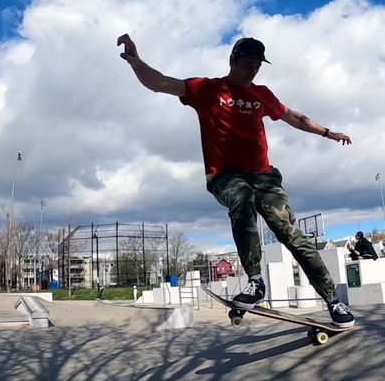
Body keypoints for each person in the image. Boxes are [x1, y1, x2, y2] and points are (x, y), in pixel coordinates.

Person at [117, 34, 354, 328]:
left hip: (264, 177)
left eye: (257, 66)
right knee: (241, 199)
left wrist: (328, 132)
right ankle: (256, 282)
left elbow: (295, 117)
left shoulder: (262, 94)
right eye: (248, 65)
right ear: (232, 61)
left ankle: (333, 300)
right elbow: (160, 82)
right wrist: (136, 63)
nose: (253, 71)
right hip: (225, 177)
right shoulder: (206, 89)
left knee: (289, 233)